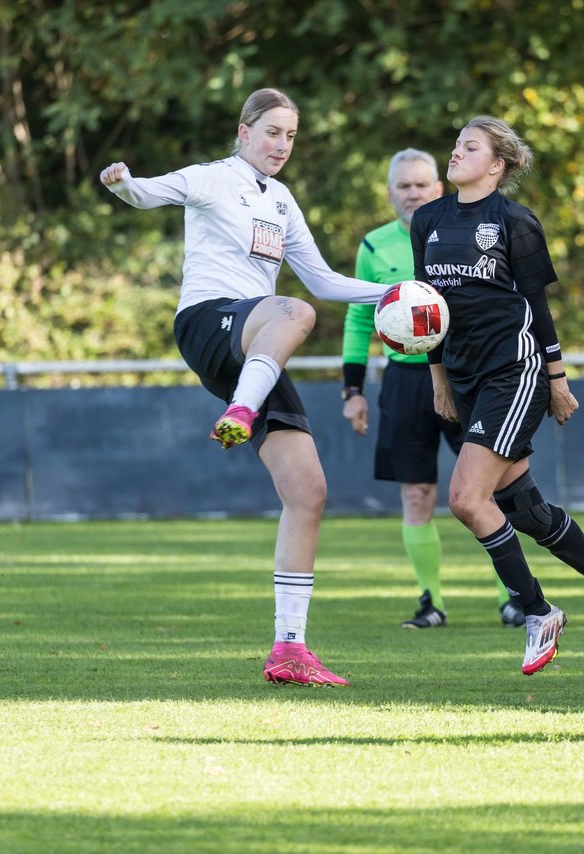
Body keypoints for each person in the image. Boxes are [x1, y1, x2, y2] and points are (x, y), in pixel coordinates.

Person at [99, 88, 390, 686]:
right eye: (272, 132)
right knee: (297, 314)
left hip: (256, 347)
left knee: (308, 491)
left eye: (290, 136)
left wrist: (394, 293)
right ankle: (242, 406)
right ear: (244, 132)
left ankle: (289, 650)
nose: (282, 145)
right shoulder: (212, 178)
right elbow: (151, 191)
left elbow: (327, 281)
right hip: (209, 322)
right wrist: (123, 182)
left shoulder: (282, 201)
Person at [409, 116, 584, 675]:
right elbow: (427, 309)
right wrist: (437, 376)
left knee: (468, 501)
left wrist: (557, 378)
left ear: (496, 165)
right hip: (464, 375)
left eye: (469, 147)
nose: (455, 153)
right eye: (454, 144)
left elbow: (537, 306)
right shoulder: (427, 220)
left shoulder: (514, 222)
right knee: (526, 510)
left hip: (513, 371)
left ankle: (538, 612)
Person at [341, 149, 526, 630]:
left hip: (462, 375)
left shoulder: (459, 233)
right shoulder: (374, 245)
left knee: (487, 492)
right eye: (403, 186)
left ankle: (515, 596)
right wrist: (352, 390)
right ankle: (431, 602)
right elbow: (359, 319)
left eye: (421, 185)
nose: (413, 193)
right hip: (404, 381)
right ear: (390, 193)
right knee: (417, 495)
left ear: (438, 189)